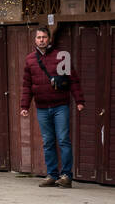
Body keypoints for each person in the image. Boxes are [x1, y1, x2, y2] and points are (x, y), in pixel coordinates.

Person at [20, 26, 86, 188]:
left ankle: (66, 176)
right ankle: (52, 175)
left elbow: (73, 80)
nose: (41, 40)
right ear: (35, 40)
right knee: (48, 141)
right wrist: (24, 106)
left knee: (63, 140)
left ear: (49, 39)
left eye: (44, 37)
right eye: (39, 37)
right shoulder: (30, 59)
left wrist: (79, 101)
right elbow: (27, 85)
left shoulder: (61, 56)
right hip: (41, 107)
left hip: (60, 106)